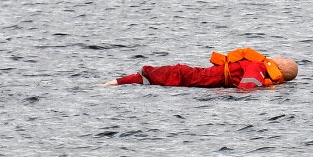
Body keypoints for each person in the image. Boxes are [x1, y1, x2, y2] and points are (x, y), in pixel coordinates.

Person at [103, 47, 298, 90]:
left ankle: (111, 84)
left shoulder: (259, 67)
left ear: (281, 65)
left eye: (283, 58)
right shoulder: (262, 71)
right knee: (164, 75)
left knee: (169, 72)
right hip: (206, 79)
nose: (278, 56)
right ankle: (119, 82)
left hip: (203, 79)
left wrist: (266, 89)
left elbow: (246, 87)